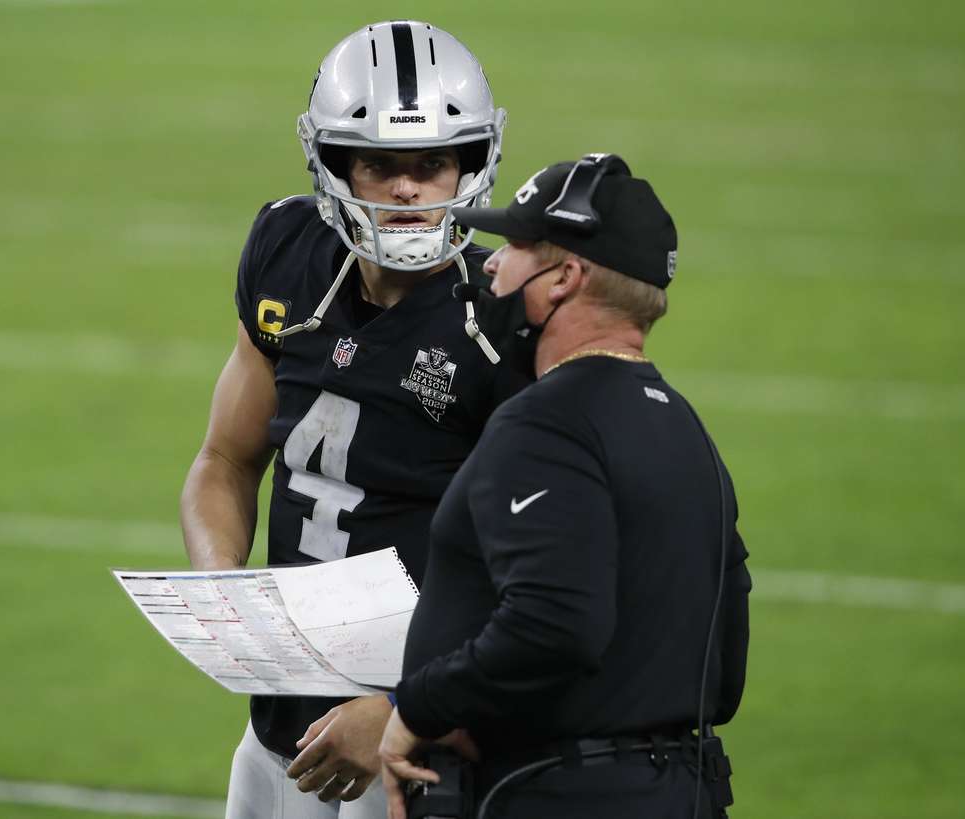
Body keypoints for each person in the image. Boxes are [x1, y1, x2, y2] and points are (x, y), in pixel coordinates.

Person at [179, 21, 522, 819]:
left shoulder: (501, 320)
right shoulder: (286, 252)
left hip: (413, 754)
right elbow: (224, 461)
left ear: (471, 164)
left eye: (432, 164)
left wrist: (409, 705)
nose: (406, 190)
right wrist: (222, 586)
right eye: (379, 164)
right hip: (278, 735)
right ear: (332, 163)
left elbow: (534, 584)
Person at [379, 153, 752, 819]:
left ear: (563, 279)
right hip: (682, 791)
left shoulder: (542, 424)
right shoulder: (686, 428)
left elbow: (554, 622)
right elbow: (722, 671)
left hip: (556, 793)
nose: (491, 262)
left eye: (518, 247)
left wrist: (421, 704)